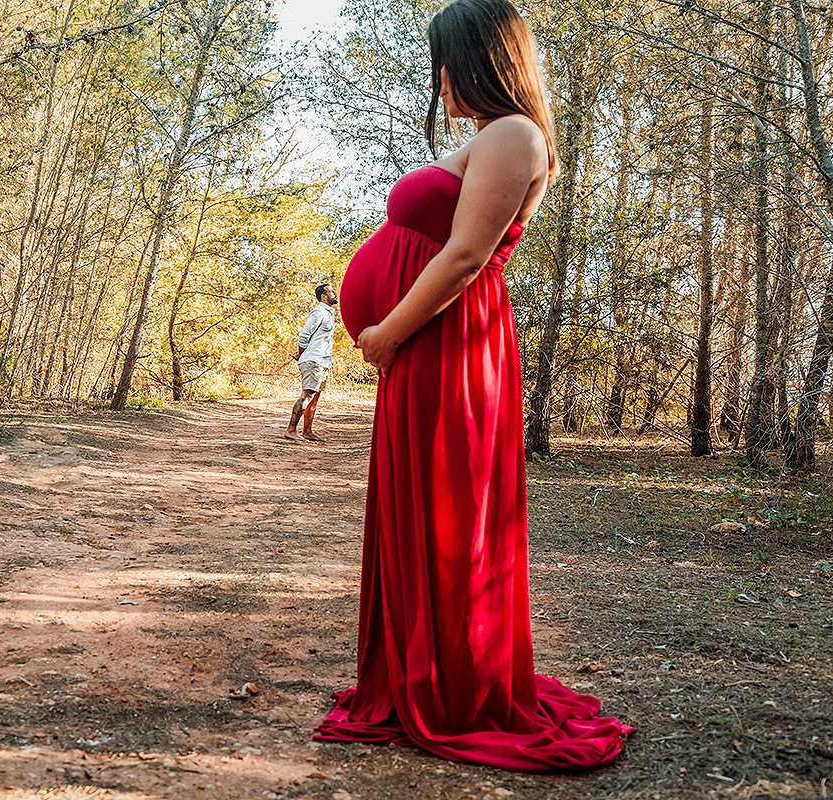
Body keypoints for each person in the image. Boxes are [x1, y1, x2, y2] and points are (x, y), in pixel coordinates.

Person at [314, 0, 632, 772]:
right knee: (421, 510)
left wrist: (387, 332)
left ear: (484, 60)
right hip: (431, 343)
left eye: (446, 66)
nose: (441, 83)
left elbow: (464, 257)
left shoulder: (515, 135)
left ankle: (452, 686)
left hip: (447, 343)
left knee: (444, 513)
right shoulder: (494, 137)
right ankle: (421, 671)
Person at [284, 283, 339, 442]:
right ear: (323, 297)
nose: (335, 293)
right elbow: (304, 336)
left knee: (314, 397)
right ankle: (291, 430)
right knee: (308, 395)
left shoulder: (329, 313)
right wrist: (301, 354)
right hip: (313, 360)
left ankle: (307, 431)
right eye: (331, 291)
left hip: (323, 362)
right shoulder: (318, 312)